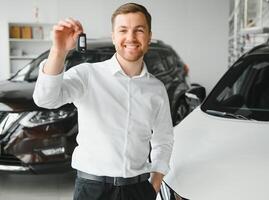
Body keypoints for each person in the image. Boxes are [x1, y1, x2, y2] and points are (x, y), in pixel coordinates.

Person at [33, 3, 174, 200]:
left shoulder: (157, 89)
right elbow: (45, 99)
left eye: (139, 30)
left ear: (149, 36)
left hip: (139, 190)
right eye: (123, 30)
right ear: (113, 36)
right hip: (92, 190)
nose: (131, 37)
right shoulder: (88, 74)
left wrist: (154, 186)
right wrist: (59, 51)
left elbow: (164, 139)